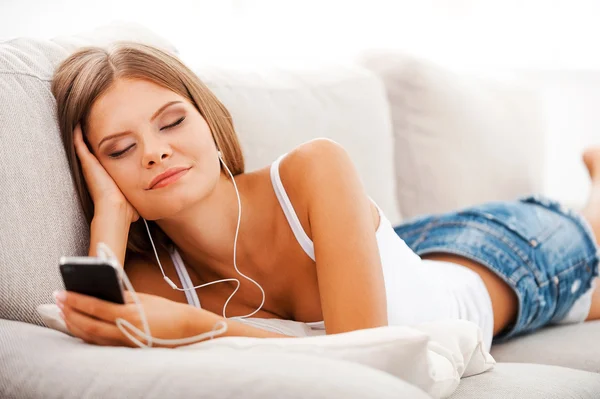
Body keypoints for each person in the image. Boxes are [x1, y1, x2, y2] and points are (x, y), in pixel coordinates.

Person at [50, 41, 600, 351]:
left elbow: (363, 355)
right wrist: (111, 219)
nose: (154, 152)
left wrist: (201, 328)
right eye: (119, 150)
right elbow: (108, 315)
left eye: (171, 122)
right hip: (407, 251)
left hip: (506, 256)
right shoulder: (156, 281)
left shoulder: (315, 168)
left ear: (211, 124)